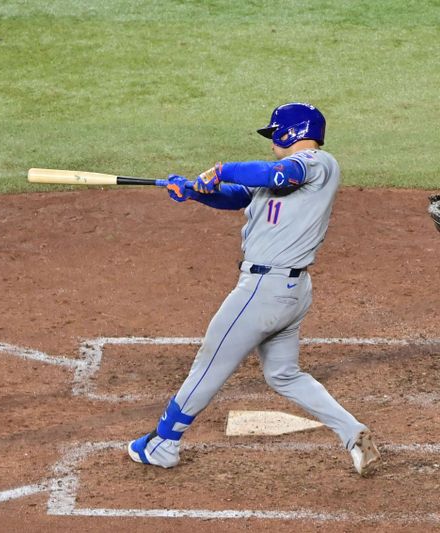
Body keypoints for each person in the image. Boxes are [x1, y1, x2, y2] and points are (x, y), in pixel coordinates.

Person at [128, 102, 381, 476]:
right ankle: (352, 432)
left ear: (290, 133)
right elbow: (238, 195)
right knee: (283, 375)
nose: (271, 143)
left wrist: (219, 170)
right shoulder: (282, 178)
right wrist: (196, 191)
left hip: (264, 290)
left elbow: (277, 174)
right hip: (288, 292)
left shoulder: (317, 163)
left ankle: (164, 444)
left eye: (274, 134)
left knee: (209, 364)